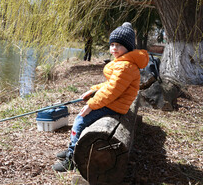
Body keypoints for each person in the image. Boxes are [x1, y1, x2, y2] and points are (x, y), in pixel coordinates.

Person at [52, 22, 149, 172]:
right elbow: (111, 85)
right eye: (112, 44)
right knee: (82, 117)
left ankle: (72, 158)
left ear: (128, 47)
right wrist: (93, 91)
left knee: (80, 120)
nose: (114, 48)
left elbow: (111, 91)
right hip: (116, 103)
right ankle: (73, 147)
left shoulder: (125, 66)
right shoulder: (124, 63)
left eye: (119, 45)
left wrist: (91, 105)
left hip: (115, 105)